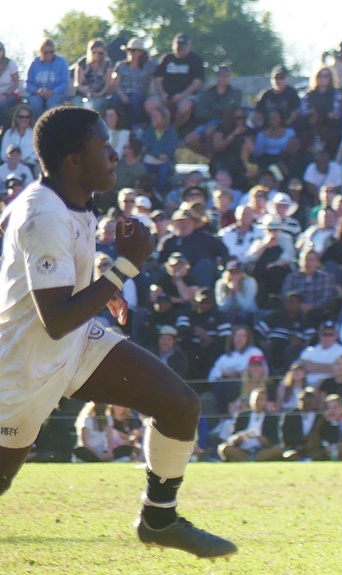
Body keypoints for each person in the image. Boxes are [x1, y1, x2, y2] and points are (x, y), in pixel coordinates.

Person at [0, 106, 235, 556]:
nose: (114, 155)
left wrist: (96, 281)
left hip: (74, 344)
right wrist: (126, 266)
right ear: (74, 160)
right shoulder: (44, 214)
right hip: (26, 363)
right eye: (103, 147)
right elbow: (56, 320)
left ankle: (159, 520)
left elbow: (17, 232)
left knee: (179, 403)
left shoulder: (65, 197)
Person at [153, 34, 204, 130]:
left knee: (185, 108)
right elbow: (158, 79)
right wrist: (162, 94)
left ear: (189, 46)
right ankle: (159, 129)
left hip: (185, 95)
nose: (180, 50)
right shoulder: (167, 59)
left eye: (183, 48)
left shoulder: (195, 60)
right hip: (165, 95)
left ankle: (172, 130)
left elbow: (197, 82)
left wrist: (182, 95)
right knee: (150, 105)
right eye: (178, 47)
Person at [109, 38, 157, 128]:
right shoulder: (121, 65)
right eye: (129, 50)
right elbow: (116, 83)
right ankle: (113, 126)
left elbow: (158, 72)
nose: (131, 53)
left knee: (135, 100)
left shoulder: (148, 66)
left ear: (141, 52)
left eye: (134, 51)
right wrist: (122, 94)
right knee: (113, 100)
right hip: (123, 93)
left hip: (139, 94)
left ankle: (136, 126)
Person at [26, 39, 70, 118]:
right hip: (38, 94)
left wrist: (53, 92)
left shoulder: (62, 62)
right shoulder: (35, 63)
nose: (49, 54)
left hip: (56, 93)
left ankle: (52, 127)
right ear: (41, 52)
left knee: (52, 104)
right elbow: (29, 83)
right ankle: (36, 126)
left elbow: (65, 83)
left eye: (51, 52)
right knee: (35, 103)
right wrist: (36, 91)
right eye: (45, 52)